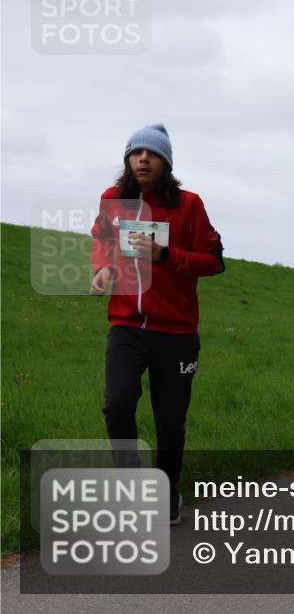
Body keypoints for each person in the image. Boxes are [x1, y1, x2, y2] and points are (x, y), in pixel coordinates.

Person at [90, 124, 224, 526]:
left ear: (166, 163)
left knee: (169, 420)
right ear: (128, 160)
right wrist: (101, 270)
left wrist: (168, 256)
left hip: (176, 333)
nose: (143, 159)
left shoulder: (189, 205)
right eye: (136, 153)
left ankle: (167, 492)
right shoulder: (113, 201)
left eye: (153, 154)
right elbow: (101, 239)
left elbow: (215, 261)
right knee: (117, 404)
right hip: (127, 325)